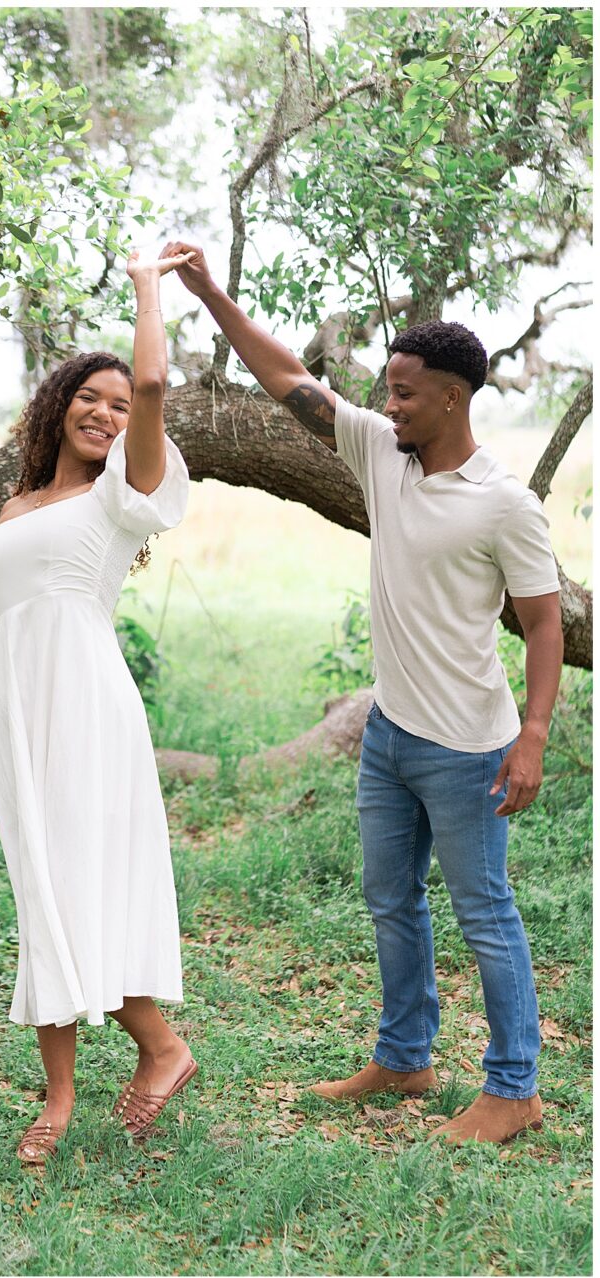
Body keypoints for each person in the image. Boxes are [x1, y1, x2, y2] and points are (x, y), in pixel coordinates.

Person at [165, 242, 564, 1146]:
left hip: (469, 747)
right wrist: (208, 292)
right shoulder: (383, 452)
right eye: (385, 390)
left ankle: (514, 1089)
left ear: (452, 397)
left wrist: (532, 734)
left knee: (484, 914)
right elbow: (287, 379)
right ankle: (405, 1057)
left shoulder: (503, 502)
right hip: (388, 734)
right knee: (389, 898)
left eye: (404, 391)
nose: (388, 405)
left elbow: (544, 626)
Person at [0, 252, 196, 1167]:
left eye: (119, 406)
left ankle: (160, 1049)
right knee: (43, 895)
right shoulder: (14, 509)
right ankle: (64, 1093)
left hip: (90, 713)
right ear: (58, 403)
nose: (107, 412)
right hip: (23, 725)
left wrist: (149, 284)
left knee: (84, 887)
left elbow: (152, 379)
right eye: (90, 397)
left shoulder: (125, 495)